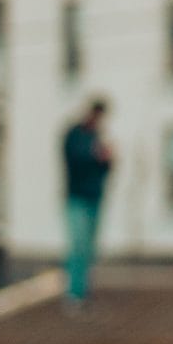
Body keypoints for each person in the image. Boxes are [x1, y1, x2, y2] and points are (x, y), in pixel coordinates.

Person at [60, 97, 112, 309]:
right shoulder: (74, 135)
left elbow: (104, 169)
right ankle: (74, 293)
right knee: (78, 246)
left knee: (89, 247)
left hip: (94, 197)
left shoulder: (96, 137)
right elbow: (74, 160)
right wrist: (96, 156)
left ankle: (83, 290)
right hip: (77, 198)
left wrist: (107, 160)